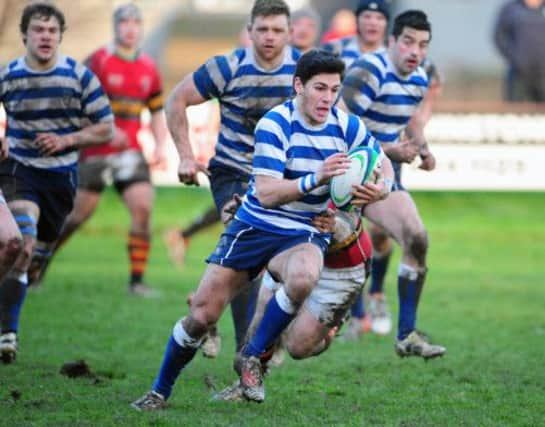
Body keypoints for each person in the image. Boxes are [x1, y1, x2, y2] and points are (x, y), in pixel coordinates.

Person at [131, 48, 389, 409]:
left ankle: (251, 355)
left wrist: (381, 188)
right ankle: (159, 391)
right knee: (201, 316)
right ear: (298, 85)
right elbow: (267, 193)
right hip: (255, 224)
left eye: (334, 90)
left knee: (303, 276)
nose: (327, 98)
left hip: (303, 229)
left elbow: (383, 163)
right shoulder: (275, 123)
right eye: (319, 88)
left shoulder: (347, 126)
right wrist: (317, 177)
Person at [159, 0, 300, 358]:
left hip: (283, 179)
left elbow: (336, 116)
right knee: (248, 254)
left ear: (289, 32)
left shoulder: (303, 71)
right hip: (233, 174)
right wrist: (186, 156)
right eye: (263, 29)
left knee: (283, 263)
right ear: (250, 31)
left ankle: (206, 306)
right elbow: (176, 99)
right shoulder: (227, 67)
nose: (269, 37)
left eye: (277, 30)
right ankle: (246, 353)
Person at [27, 3, 168, 297]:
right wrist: (103, 130)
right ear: (116, 27)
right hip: (96, 151)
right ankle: (37, 268)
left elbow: (155, 110)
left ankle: (137, 282)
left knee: (143, 208)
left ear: (140, 29)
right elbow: (75, 105)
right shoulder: (98, 61)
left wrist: (160, 144)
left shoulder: (149, 67)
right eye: (124, 23)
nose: (130, 29)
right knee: (76, 216)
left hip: (131, 152)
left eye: (135, 23)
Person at [0, 2, 114, 363]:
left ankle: (16, 297)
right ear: (25, 36)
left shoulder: (78, 77)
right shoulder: (10, 75)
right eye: (38, 30)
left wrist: (66, 141)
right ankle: (8, 334)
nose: (45, 36)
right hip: (19, 169)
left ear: (60, 37)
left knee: (36, 257)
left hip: (62, 177)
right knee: (21, 241)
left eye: (52, 31)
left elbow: (106, 127)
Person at [340, 10, 446, 359]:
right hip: (337, 176)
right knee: (300, 266)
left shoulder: (418, 77)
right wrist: (389, 149)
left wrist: (423, 149)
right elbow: (336, 131)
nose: (415, 51)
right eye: (408, 42)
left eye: (423, 45)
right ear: (391, 41)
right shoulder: (369, 72)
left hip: (380, 175)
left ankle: (406, 334)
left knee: (416, 238)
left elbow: (413, 119)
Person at [493, 0, 545, 102]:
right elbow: (499, 37)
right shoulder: (510, 9)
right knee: (514, 114)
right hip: (519, 74)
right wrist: (516, 58)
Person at [322, 0, 390, 68]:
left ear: (387, 23)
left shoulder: (392, 56)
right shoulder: (334, 49)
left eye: (379, 18)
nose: (373, 23)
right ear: (357, 20)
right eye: (367, 17)